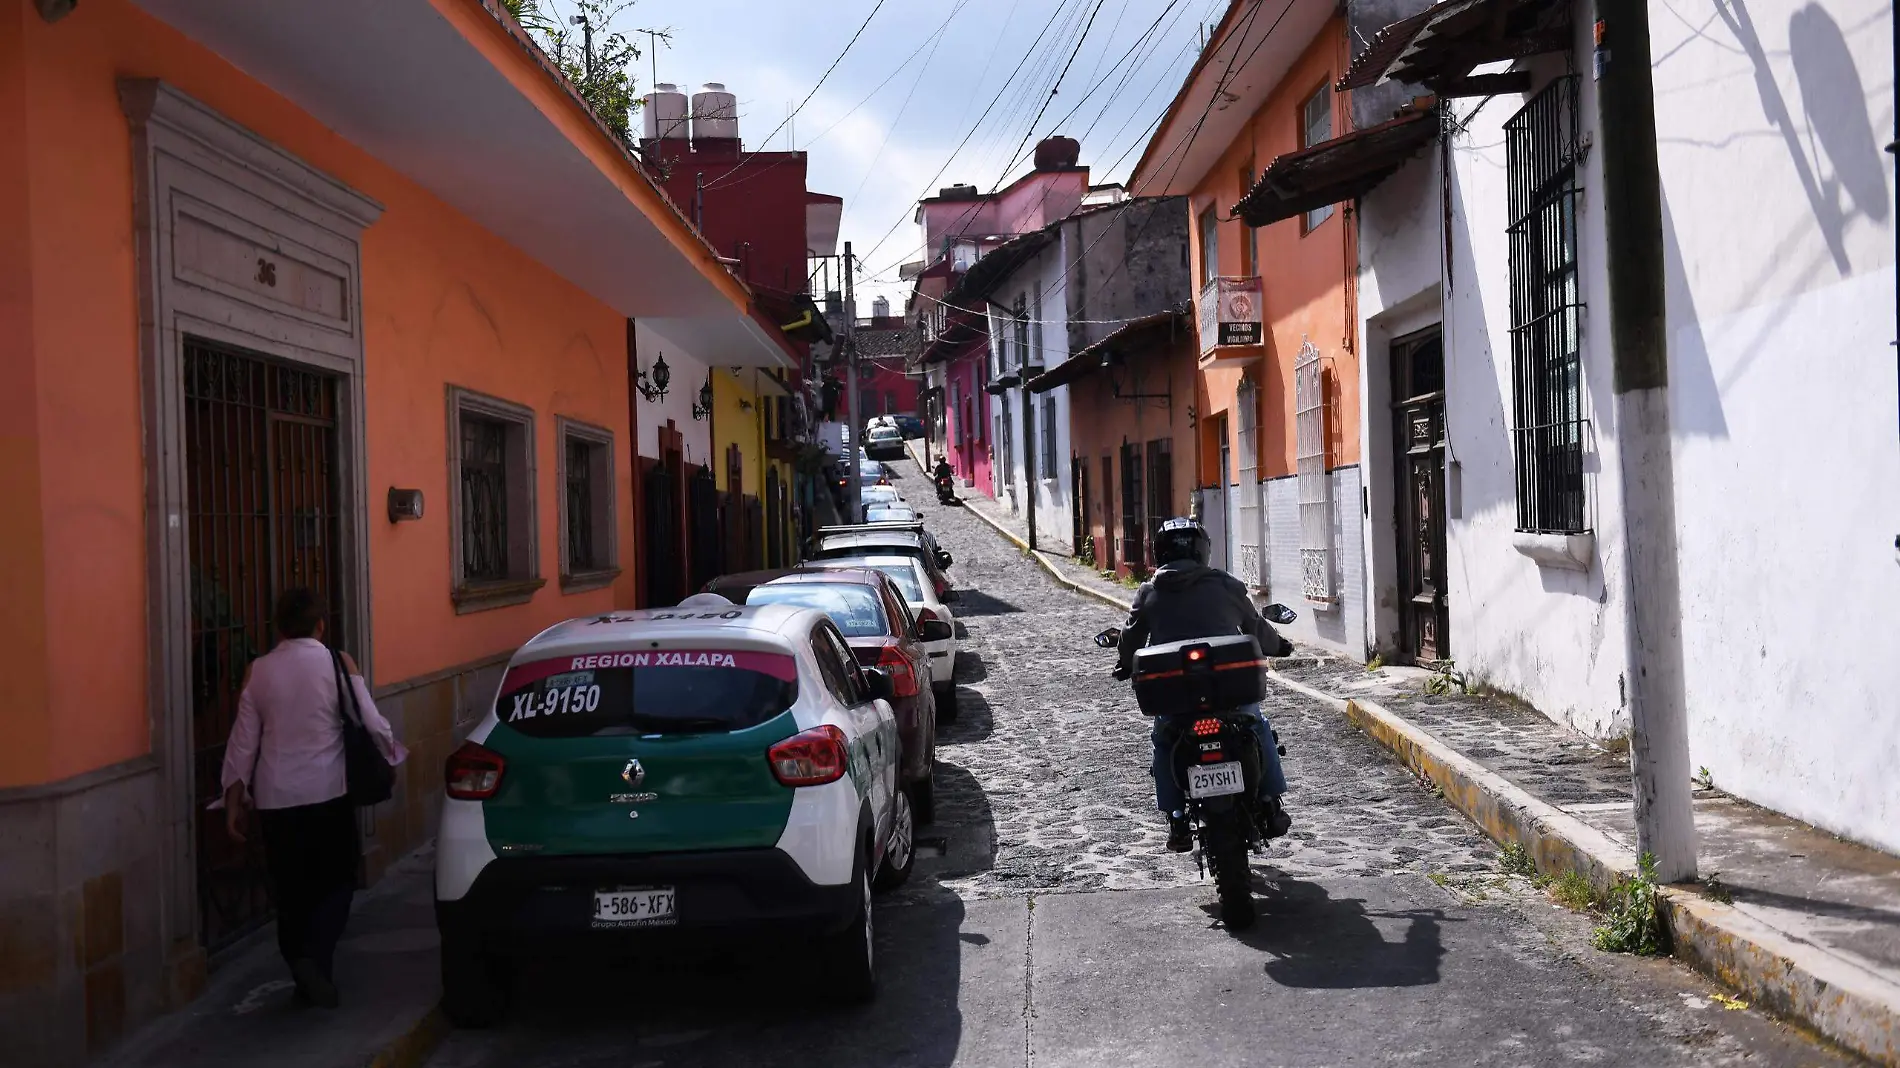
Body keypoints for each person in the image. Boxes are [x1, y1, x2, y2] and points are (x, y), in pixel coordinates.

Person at [220, 588, 405, 1008]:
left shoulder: (258, 672)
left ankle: (303, 967)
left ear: (278, 628)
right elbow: (371, 722)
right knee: (338, 880)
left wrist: (234, 799)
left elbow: (243, 744)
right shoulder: (338, 662)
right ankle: (315, 960)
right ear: (321, 625)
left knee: (290, 889)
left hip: (274, 797)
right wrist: (390, 754)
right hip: (327, 792)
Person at [1113, 518, 1293, 853]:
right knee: (1258, 726)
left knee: (1164, 741)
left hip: (1177, 701)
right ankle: (1270, 802)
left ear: (1160, 551)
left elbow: (1132, 637)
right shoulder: (1226, 585)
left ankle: (1177, 818)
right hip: (1230, 692)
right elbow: (1256, 628)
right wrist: (1279, 645)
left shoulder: (1149, 592)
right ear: (1202, 550)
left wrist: (1124, 661)